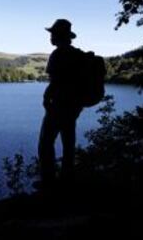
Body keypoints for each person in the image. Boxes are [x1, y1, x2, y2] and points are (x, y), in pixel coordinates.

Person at [37, 19, 84, 189]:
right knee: (68, 143)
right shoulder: (78, 55)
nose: (50, 36)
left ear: (59, 35)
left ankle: (48, 183)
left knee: (45, 143)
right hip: (74, 107)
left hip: (58, 106)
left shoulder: (58, 54)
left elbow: (55, 81)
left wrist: (45, 99)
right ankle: (67, 180)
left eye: (52, 33)